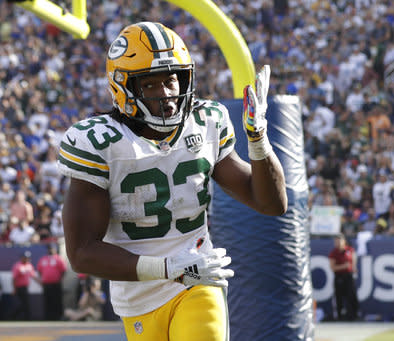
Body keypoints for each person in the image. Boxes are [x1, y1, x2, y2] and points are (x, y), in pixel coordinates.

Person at [58, 22, 287, 340]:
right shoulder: (98, 142)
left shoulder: (205, 122)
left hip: (198, 281)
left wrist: (258, 139)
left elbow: (271, 203)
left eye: (170, 80)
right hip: (138, 298)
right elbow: (82, 252)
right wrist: (168, 268)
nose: (165, 94)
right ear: (124, 88)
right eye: (150, 85)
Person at [328, 233, 359, 321]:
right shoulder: (333, 253)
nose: (337, 243)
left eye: (339, 241)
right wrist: (344, 266)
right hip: (339, 276)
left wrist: (353, 268)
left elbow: (353, 262)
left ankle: (353, 315)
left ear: (344, 241)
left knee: (351, 296)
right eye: (336, 241)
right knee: (339, 297)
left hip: (349, 276)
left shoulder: (350, 250)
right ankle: (339, 316)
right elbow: (332, 267)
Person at [36, 243, 67, 320]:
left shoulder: (58, 258)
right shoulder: (43, 259)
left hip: (56, 283)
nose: (50, 250)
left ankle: (58, 316)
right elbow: (39, 270)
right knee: (47, 301)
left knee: (57, 300)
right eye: (49, 248)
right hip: (46, 284)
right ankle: (48, 317)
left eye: (52, 248)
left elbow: (63, 270)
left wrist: (59, 279)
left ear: (55, 249)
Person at [11, 250, 39, 320]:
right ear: (22, 258)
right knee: (25, 303)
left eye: (28, 258)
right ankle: (18, 316)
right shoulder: (18, 266)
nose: (27, 259)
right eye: (25, 257)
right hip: (19, 287)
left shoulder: (29, 265)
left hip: (26, 287)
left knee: (25, 303)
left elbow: (33, 276)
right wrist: (14, 289)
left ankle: (17, 316)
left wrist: (41, 283)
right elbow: (14, 278)